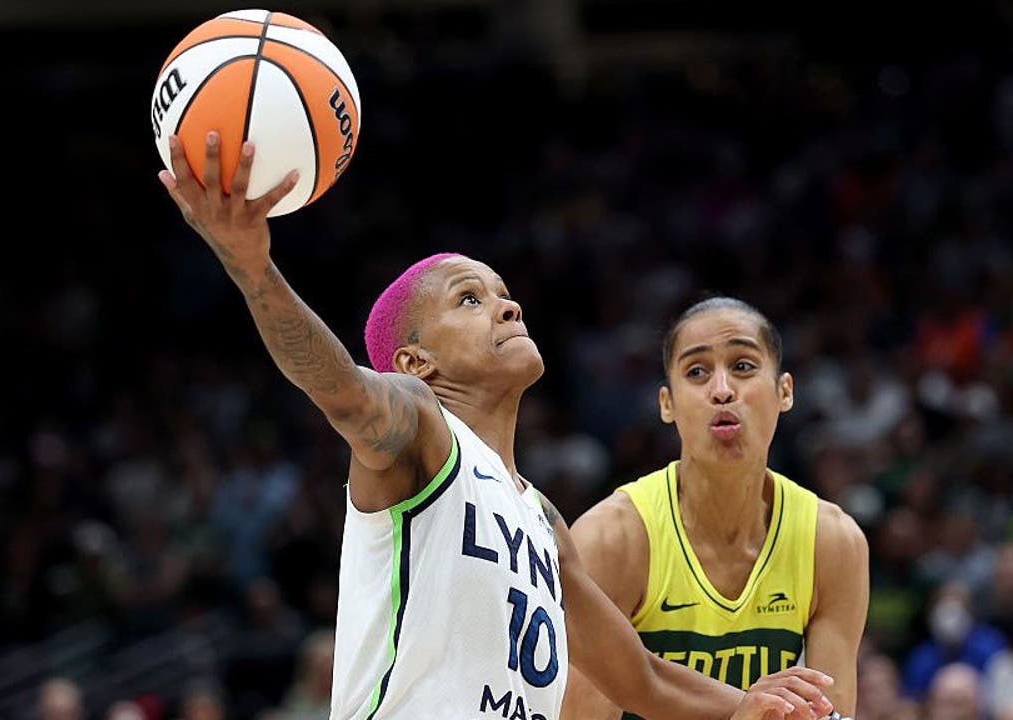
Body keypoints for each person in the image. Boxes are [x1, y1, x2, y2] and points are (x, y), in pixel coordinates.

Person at [157, 134, 837, 720]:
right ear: (415, 362)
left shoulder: (542, 519)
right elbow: (342, 392)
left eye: (504, 295)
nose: (507, 308)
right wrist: (254, 269)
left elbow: (640, 677)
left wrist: (747, 703)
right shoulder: (421, 428)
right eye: (470, 299)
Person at [559, 297, 870, 719]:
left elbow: (832, 713)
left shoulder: (832, 541)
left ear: (784, 391)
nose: (722, 389)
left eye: (742, 366)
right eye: (697, 372)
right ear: (667, 404)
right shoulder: (611, 539)